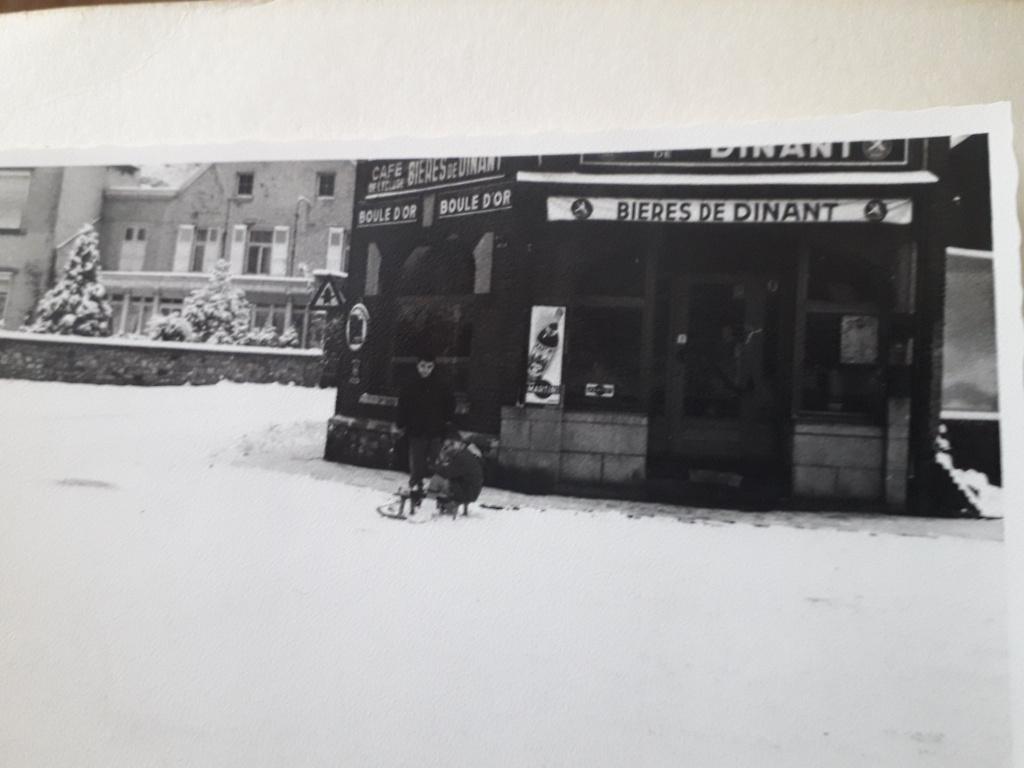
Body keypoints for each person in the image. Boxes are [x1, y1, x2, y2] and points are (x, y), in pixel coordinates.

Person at [395, 351, 455, 494]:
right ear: (417, 366)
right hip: (416, 431)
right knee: (417, 463)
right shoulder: (410, 385)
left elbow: (450, 404)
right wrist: (400, 423)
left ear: (433, 367)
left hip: (435, 431)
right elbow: (402, 405)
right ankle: (415, 488)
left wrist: (446, 420)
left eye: (429, 367)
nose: (425, 370)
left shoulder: (441, 385)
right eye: (422, 366)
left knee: (437, 462)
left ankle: (437, 490)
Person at [426, 425, 485, 515]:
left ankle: (428, 507)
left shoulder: (462, 457)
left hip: (467, 491)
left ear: (454, 444)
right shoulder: (465, 454)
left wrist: (439, 462)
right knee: (440, 481)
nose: (446, 449)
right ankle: (438, 504)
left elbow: (446, 473)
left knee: (437, 479)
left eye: (447, 446)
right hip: (469, 488)